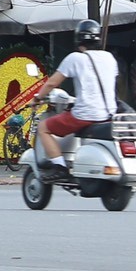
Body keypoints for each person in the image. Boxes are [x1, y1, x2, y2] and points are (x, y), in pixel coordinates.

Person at [36, 18, 120, 166]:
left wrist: (37, 98)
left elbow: (52, 83)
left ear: (78, 39)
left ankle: (59, 166)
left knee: (43, 128)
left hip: (85, 115)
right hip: (108, 115)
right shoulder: (110, 58)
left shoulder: (75, 58)